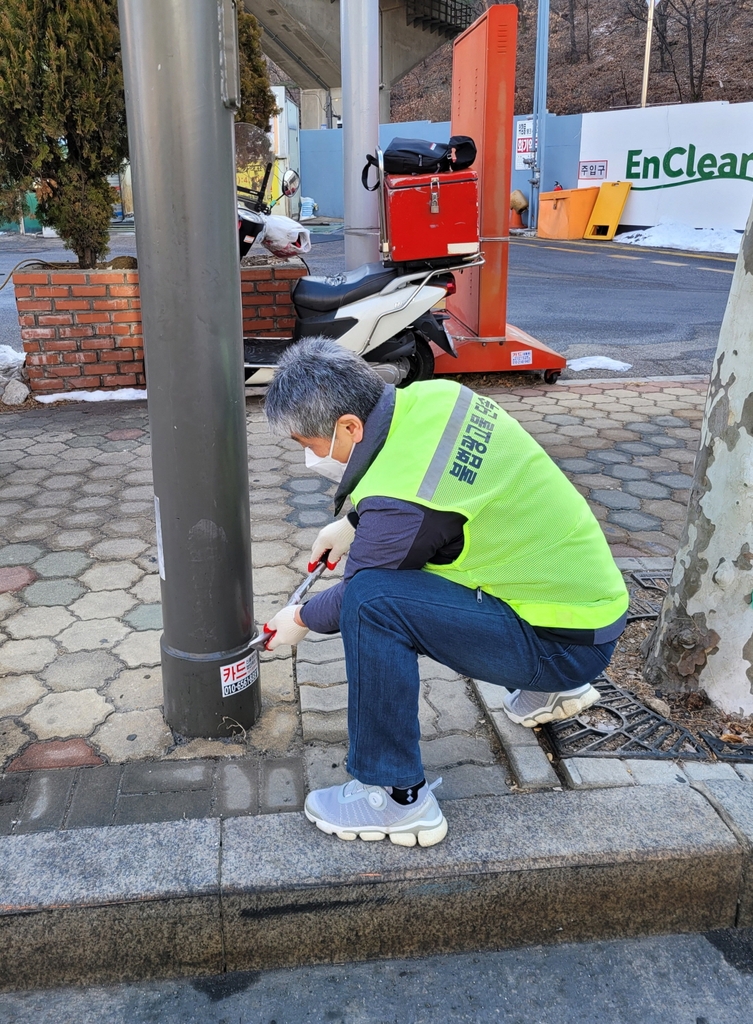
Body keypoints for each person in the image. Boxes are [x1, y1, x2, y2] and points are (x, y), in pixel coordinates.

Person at [263, 338, 628, 849]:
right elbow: (434, 495)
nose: (310, 456)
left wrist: (299, 618)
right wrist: (353, 522)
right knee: (385, 583)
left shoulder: (401, 504)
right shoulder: (435, 398)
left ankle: (394, 795)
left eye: (310, 443)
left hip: (561, 645)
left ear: (349, 426)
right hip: (590, 609)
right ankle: (555, 690)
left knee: (372, 604)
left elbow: (359, 592)